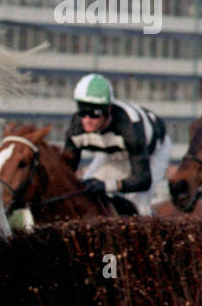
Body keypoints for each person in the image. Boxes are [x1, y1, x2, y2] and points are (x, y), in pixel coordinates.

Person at [60, 73, 171, 215]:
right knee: (85, 191)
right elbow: (67, 171)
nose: (87, 119)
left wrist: (108, 185)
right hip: (112, 153)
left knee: (139, 205)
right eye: (82, 111)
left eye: (94, 113)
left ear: (108, 110)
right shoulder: (75, 129)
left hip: (152, 153)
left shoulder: (129, 128)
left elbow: (143, 180)